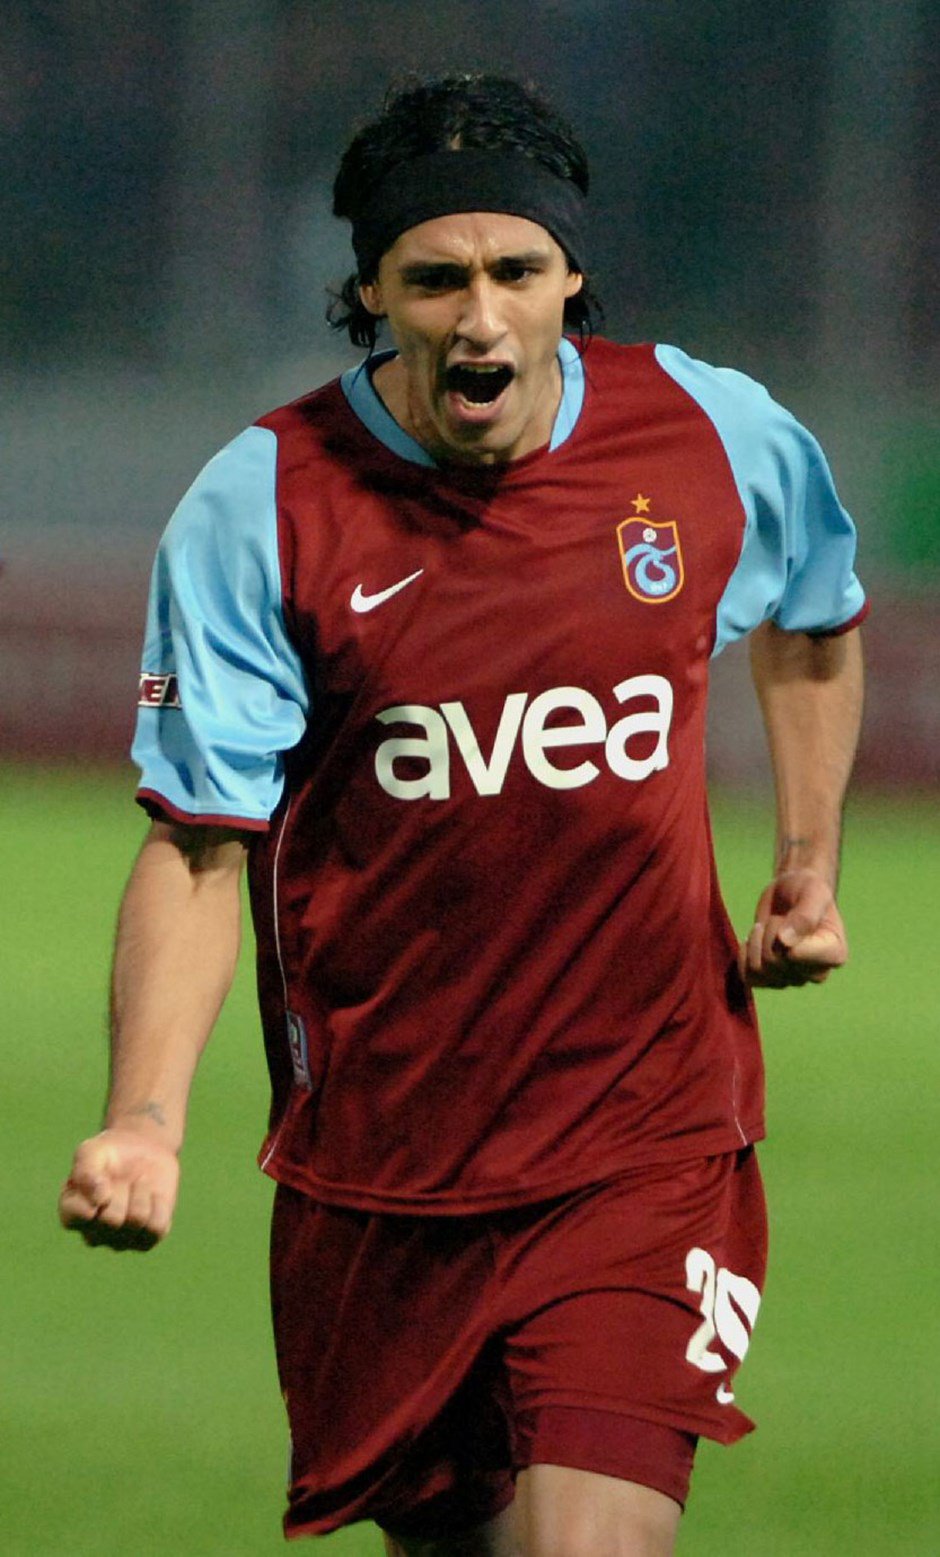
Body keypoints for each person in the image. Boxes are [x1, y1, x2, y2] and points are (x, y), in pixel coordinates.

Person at [59, 73, 866, 1557]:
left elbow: (814, 618)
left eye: (517, 272)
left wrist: (805, 864)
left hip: (644, 1135)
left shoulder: (711, 433)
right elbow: (196, 838)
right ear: (372, 291)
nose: (480, 318)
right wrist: (144, 1121)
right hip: (383, 1166)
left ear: (572, 278)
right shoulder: (264, 505)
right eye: (435, 280)